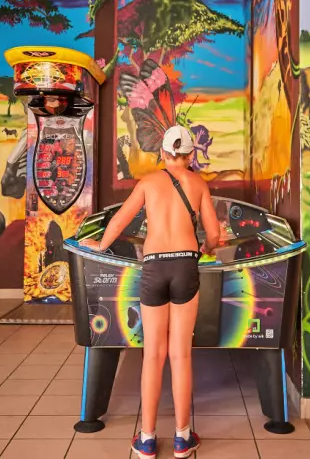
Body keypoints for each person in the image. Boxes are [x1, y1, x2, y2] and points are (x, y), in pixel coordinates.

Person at [80, 125, 221, 458]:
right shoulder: (199, 184)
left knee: (153, 356)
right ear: (190, 155)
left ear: (162, 153)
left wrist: (100, 245)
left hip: (155, 267)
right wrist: (207, 247)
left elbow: (119, 221)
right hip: (185, 265)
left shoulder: (148, 183)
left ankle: (146, 439)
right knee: (180, 355)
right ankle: (183, 438)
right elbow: (214, 234)